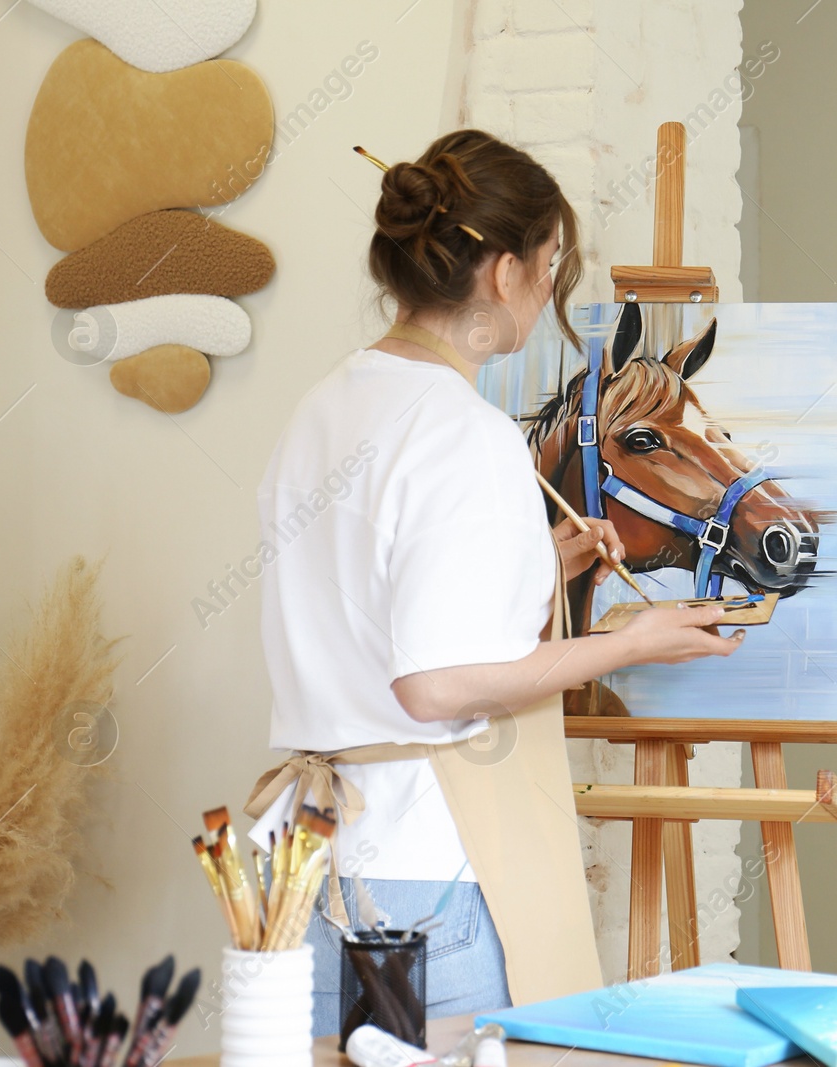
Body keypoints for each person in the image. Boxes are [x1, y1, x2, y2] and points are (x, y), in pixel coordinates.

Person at [246, 129, 744, 1036]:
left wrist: (543, 559)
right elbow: (431, 684)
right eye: (552, 263)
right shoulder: (461, 431)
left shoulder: (323, 408)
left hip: (310, 864)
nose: (552, 288)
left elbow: (376, 603)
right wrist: (625, 642)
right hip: (428, 872)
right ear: (506, 272)